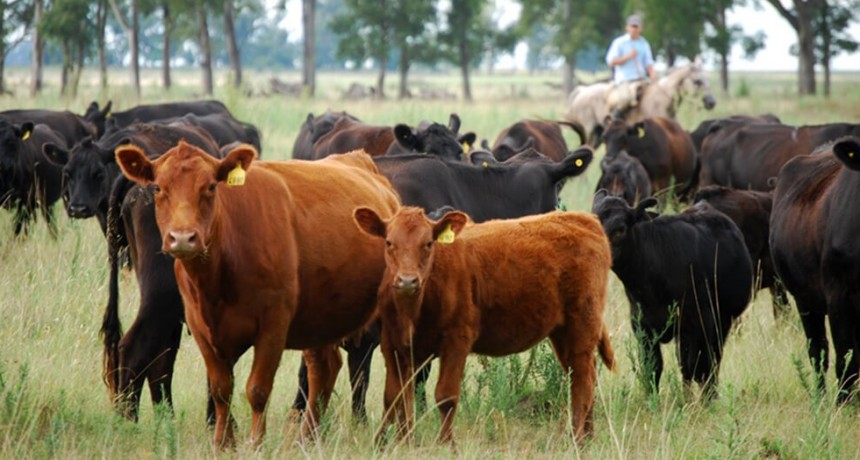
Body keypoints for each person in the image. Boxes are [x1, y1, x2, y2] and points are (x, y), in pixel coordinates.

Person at [605, 14, 656, 118]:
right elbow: (611, 61)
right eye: (632, 26)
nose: (634, 29)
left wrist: (653, 75)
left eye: (636, 26)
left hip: (641, 79)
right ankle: (615, 118)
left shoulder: (644, 44)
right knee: (626, 99)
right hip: (625, 80)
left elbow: (649, 63)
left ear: (640, 28)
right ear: (627, 27)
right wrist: (627, 56)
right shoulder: (619, 43)